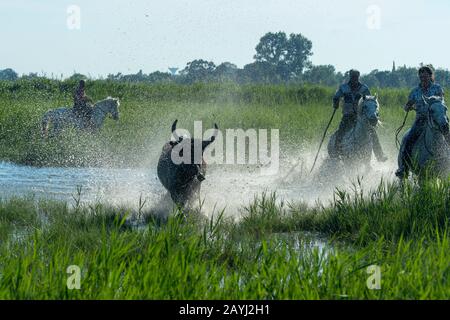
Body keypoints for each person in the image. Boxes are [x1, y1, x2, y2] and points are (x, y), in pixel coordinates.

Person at [395, 65, 446, 178]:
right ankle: (403, 168)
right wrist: (408, 106)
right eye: (421, 76)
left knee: (447, 134)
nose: (423, 78)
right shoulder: (415, 91)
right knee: (408, 140)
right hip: (420, 121)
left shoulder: (437, 88)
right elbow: (407, 105)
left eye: (425, 76)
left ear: (430, 76)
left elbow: (441, 102)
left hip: (436, 119)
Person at [332, 69, 387, 161]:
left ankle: (379, 155)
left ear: (358, 77)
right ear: (350, 76)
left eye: (356, 77)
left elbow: (369, 100)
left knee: (372, 132)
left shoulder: (364, 88)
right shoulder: (344, 87)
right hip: (347, 115)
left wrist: (370, 114)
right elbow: (336, 96)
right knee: (341, 132)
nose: (354, 79)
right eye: (353, 77)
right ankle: (337, 152)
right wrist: (336, 102)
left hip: (361, 116)